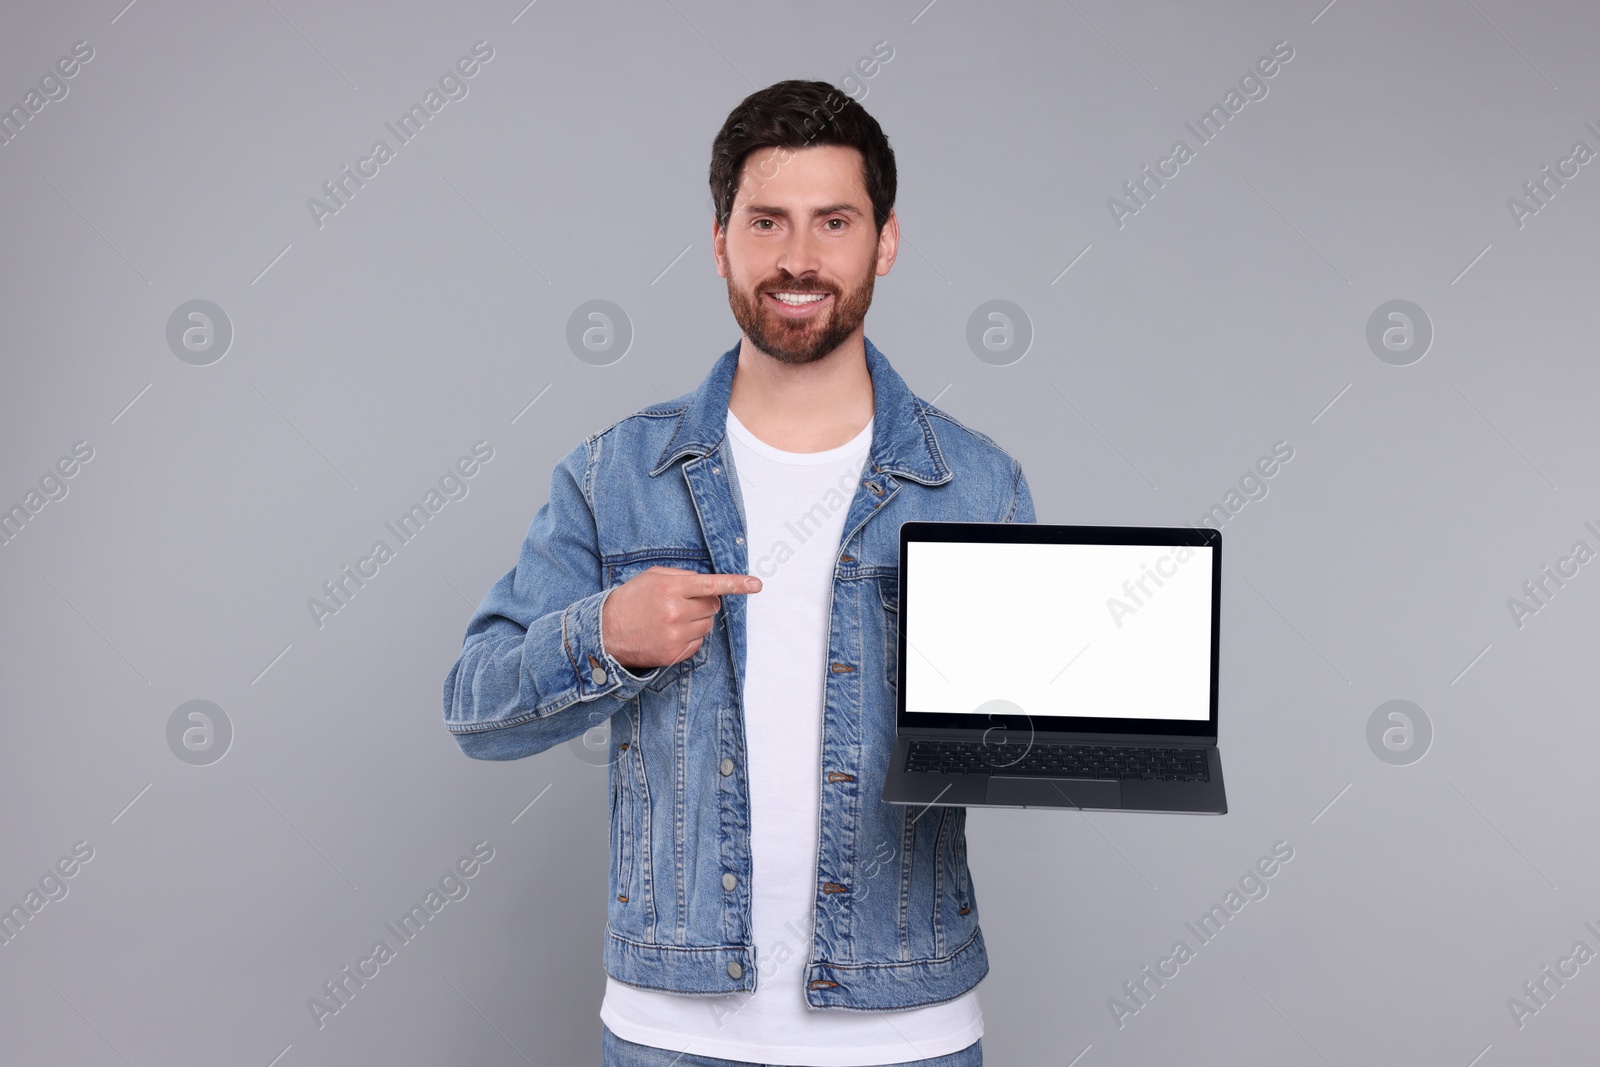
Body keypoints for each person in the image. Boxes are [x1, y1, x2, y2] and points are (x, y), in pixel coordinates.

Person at [442, 79, 1034, 1067]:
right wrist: (604, 635)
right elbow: (475, 708)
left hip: (908, 1031)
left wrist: (1091, 717)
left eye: (832, 222)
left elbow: (1021, 737)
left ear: (883, 242)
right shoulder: (613, 474)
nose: (797, 258)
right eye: (766, 222)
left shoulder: (975, 481)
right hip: (672, 1031)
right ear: (719, 240)